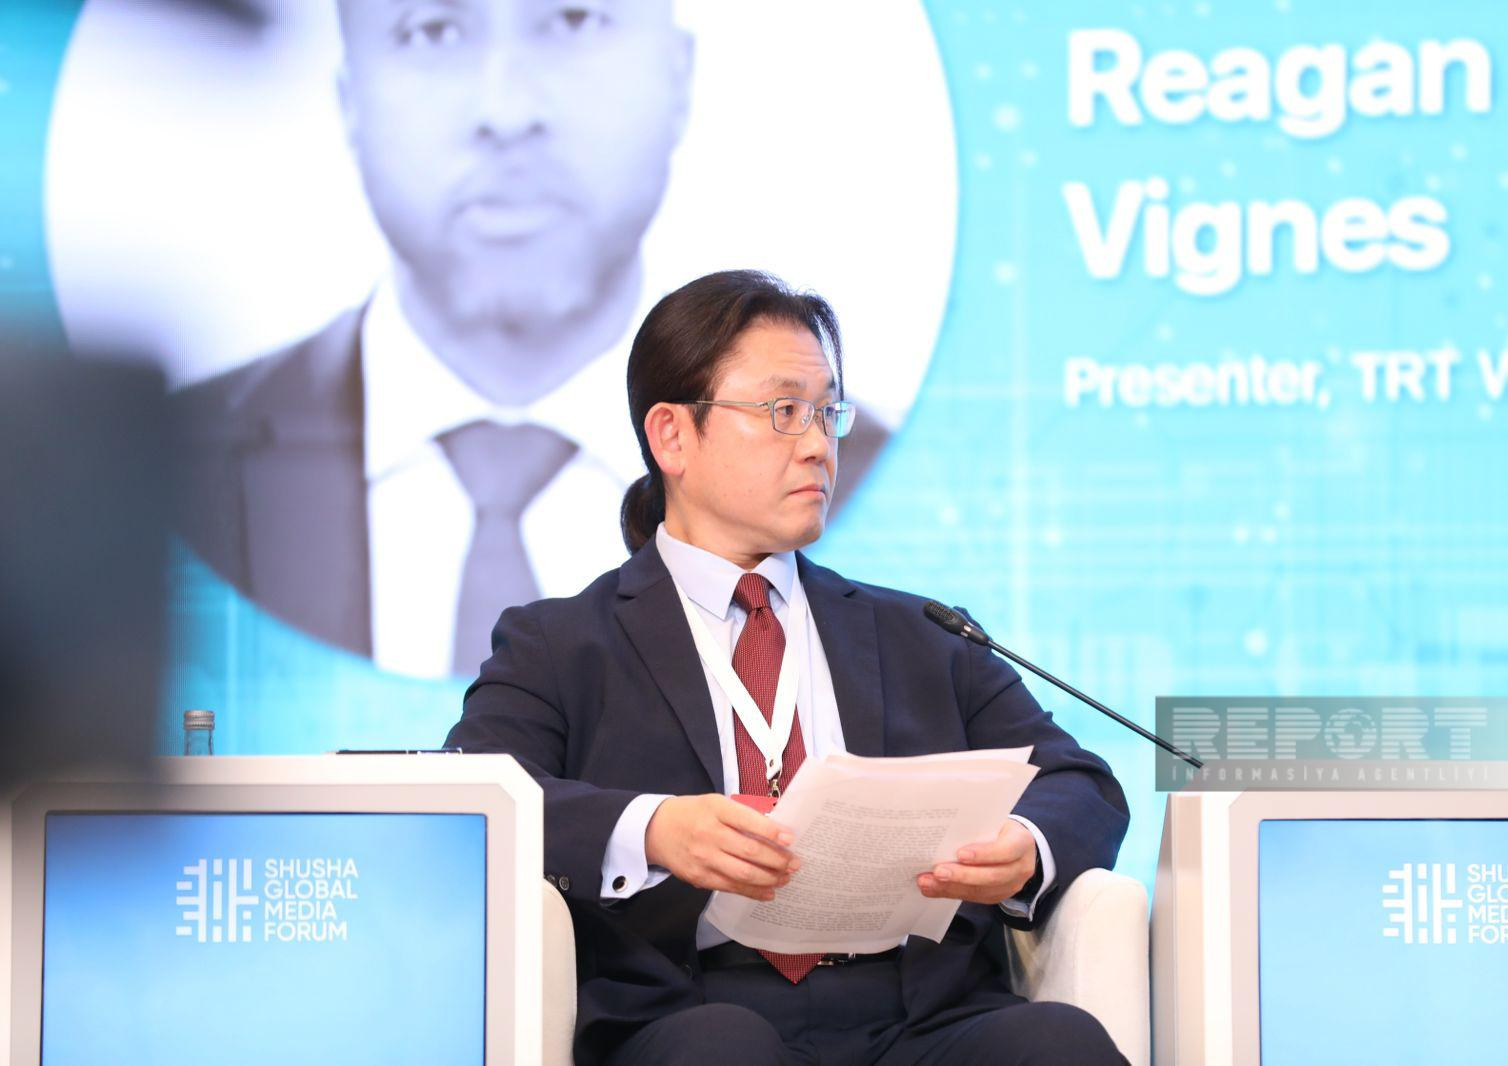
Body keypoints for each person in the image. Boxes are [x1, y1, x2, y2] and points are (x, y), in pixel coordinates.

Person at [444, 270, 1129, 1065]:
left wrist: (1024, 846)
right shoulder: (561, 644)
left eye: (827, 413)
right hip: (696, 1009)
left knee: (1057, 1043)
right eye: (783, 412)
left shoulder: (922, 634)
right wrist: (654, 830)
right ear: (673, 436)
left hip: (914, 1015)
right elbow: (471, 802)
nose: (817, 445)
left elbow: (1081, 783)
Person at [170, 0, 887, 678]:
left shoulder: (864, 483)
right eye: (433, 31)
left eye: (575, 19)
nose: (507, 112)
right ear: (349, 98)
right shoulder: (170, 471)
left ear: (677, 76)